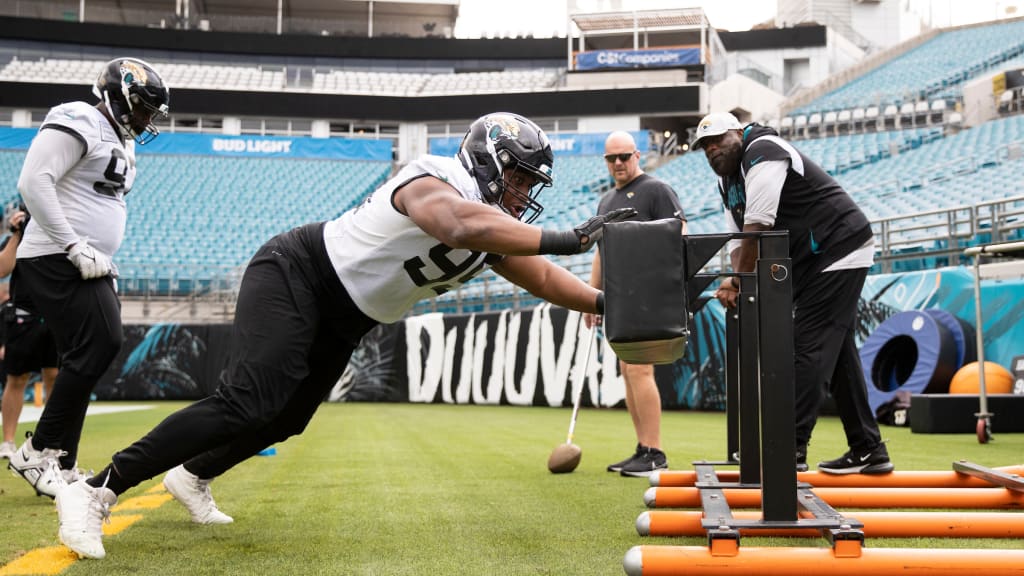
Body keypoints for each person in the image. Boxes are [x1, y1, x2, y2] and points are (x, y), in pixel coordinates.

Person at [53, 112, 636, 560]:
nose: (520, 192)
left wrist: (609, 303)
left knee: (287, 417)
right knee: (248, 399)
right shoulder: (435, 176)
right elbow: (454, 223)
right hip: (299, 271)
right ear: (486, 159)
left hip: (348, 313)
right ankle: (96, 489)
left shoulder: (493, 228)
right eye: (515, 176)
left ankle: (192, 474)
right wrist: (571, 238)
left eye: (527, 182)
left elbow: (540, 277)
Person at [692, 112, 893, 476]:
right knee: (838, 352)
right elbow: (739, 243)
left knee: (807, 347)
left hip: (838, 247)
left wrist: (738, 281)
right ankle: (868, 448)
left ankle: (789, 448)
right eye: (705, 146)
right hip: (814, 262)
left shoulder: (763, 150)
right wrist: (735, 279)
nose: (712, 149)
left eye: (718, 139)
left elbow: (758, 226)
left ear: (739, 132)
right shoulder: (728, 182)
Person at [7, 57, 170, 499]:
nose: (145, 120)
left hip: (87, 258)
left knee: (92, 352)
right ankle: (38, 451)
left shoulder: (123, 139)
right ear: (118, 96)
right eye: (141, 109)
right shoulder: (77, 118)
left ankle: (62, 459)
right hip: (55, 254)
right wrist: (73, 244)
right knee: (101, 343)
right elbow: (34, 182)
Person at [583, 131, 687, 478]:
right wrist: (590, 298)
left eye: (623, 157)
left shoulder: (656, 190)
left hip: (650, 293)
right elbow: (601, 252)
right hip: (619, 296)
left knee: (641, 369)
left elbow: (679, 233)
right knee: (629, 370)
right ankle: (643, 447)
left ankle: (655, 452)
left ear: (637, 155)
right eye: (611, 158)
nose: (617, 164)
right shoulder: (605, 202)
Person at [0, 208, 60, 460]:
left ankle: (50, 441)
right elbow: (3, 269)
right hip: (24, 314)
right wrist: (16, 234)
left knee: (54, 377)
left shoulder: (59, 227)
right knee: (16, 378)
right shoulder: (21, 233)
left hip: (56, 311)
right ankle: (7, 442)